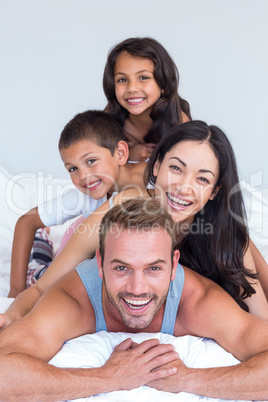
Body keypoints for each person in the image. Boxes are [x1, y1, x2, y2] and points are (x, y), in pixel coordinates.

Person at [2, 121, 267, 329]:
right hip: (74, 248)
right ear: (156, 167)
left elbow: (260, 317)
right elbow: (41, 288)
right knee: (39, 270)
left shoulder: (225, 234)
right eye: (176, 168)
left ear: (214, 191)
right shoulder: (121, 210)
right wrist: (13, 313)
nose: (183, 187)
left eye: (202, 179)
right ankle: (43, 241)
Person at [0, 198, 268, 401]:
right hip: (65, 266)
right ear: (101, 263)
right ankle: (45, 241)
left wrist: (189, 379)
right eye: (121, 268)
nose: (137, 288)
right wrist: (105, 378)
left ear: (174, 265)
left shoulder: (198, 301)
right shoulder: (73, 298)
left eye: (154, 268)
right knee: (41, 269)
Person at [8, 110, 146, 298]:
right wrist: (15, 291)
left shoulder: (155, 179)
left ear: (120, 153)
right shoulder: (86, 195)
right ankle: (43, 238)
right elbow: (26, 221)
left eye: (91, 161)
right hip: (79, 245)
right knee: (42, 278)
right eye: (72, 169)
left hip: (93, 241)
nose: (83, 176)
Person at [103, 36, 191, 161]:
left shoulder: (178, 121)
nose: (132, 88)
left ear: (163, 84)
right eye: (122, 80)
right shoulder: (105, 124)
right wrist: (128, 155)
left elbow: (183, 169)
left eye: (143, 77)